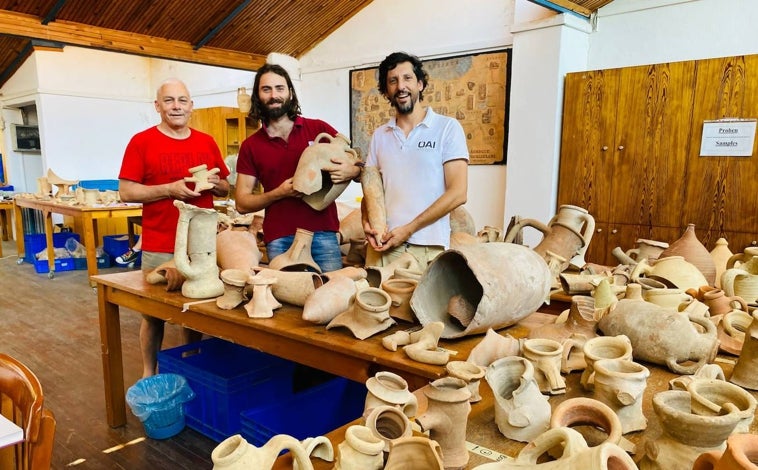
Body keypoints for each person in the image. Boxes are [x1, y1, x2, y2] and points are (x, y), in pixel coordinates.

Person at [118, 78, 230, 377]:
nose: (176, 106)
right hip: (159, 243)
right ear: (158, 106)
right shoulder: (141, 141)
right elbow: (127, 192)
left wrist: (217, 184)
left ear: (191, 105)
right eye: (169, 100)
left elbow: (225, 188)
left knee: (196, 312)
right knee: (153, 315)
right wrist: (170, 189)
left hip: (202, 246)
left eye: (182, 100)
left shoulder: (206, 142)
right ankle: (148, 372)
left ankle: (191, 365)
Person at [235, 63, 360, 272]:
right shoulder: (251, 146)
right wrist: (279, 193)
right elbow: (241, 203)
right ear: (258, 96)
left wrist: (353, 170)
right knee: (288, 299)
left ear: (290, 93)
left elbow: (358, 163)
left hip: (323, 234)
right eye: (266, 89)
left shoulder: (318, 129)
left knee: (334, 294)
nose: (274, 95)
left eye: (280, 88)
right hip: (280, 238)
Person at [362, 51, 469, 267]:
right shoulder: (380, 135)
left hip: (427, 248)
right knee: (369, 300)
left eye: (407, 78)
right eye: (393, 81)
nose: (401, 86)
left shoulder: (447, 128)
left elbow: (458, 193)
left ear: (420, 84)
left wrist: (409, 229)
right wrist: (365, 221)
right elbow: (372, 190)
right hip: (383, 246)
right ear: (386, 91)